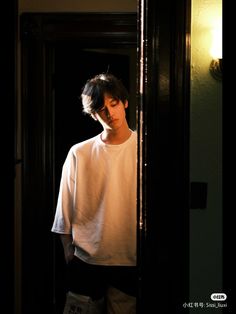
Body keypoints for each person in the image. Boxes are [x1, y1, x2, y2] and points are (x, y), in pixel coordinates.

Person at [51, 73, 137, 314]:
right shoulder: (80, 152)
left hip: (129, 260)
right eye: (101, 109)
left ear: (124, 102)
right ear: (93, 115)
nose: (110, 113)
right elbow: (63, 208)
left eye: (114, 103)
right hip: (86, 259)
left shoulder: (143, 151)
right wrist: (68, 250)